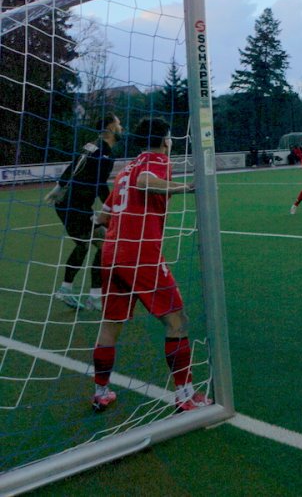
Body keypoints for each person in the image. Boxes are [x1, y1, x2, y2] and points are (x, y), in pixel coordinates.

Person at [91, 117, 210, 413]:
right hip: (140, 253)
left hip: (112, 254)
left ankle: (101, 391)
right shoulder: (156, 160)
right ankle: (185, 395)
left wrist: (113, 245)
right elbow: (146, 182)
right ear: (165, 140)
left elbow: (101, 219)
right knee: (177, 321)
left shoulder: (125, 170)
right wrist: (188, 187)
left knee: (110, 325)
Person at [44, 112, 122, 311]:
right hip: (75, 205)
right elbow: (100, 186)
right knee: (95, 245)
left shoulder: (91, 145)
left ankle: (77, 291)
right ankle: (87, 295)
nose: (121, 128)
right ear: (111, 128)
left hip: (70, 203)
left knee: (95, 245)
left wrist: (59, 187)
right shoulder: (105, 154)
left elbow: (74, 165)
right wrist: (114, 208)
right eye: (119, 124)